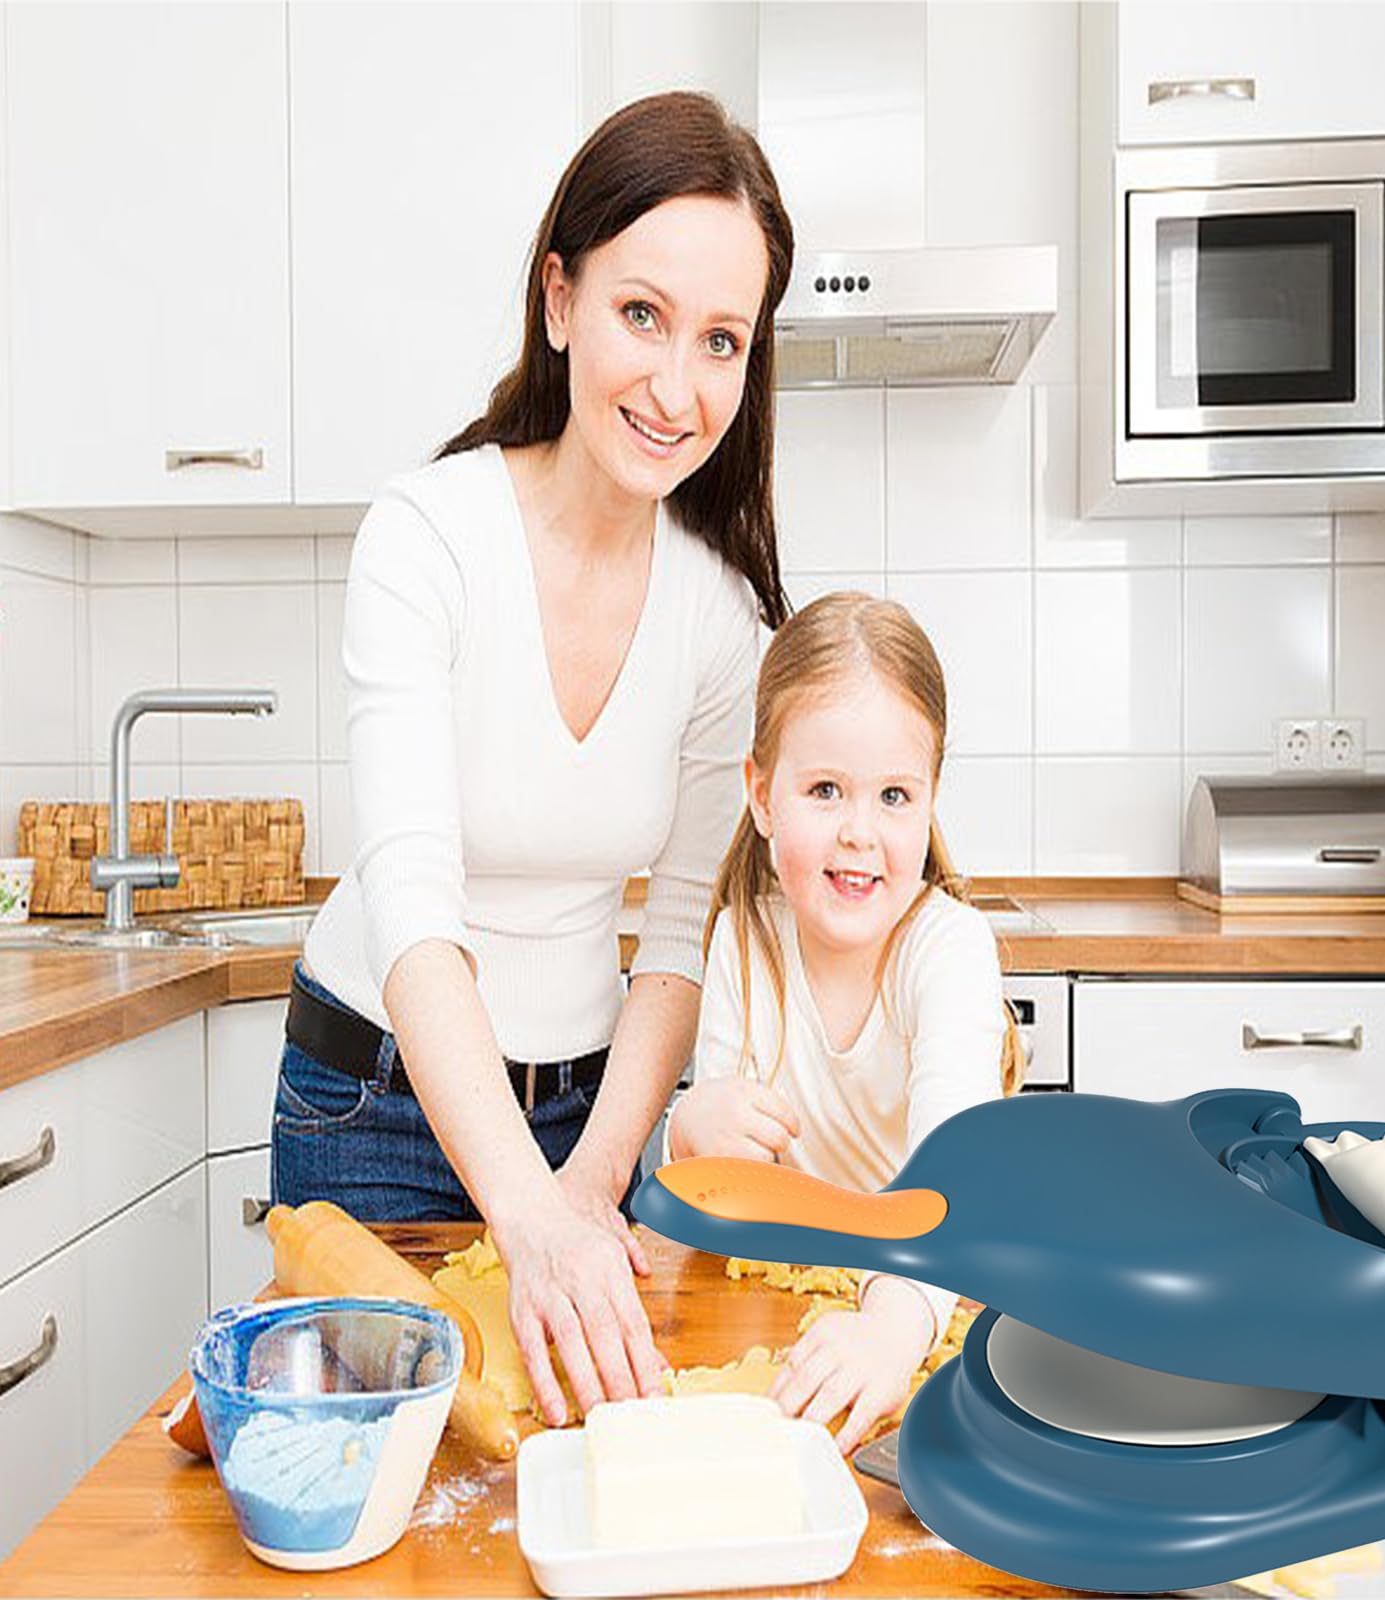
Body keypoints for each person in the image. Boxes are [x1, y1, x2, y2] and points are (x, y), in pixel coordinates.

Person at [271, 90, 794, 1429]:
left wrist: (585, 1185)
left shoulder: (723, 623)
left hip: (584, 1122)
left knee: (571, 1475)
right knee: (385, 1489)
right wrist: (525, 1208)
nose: (680, 388)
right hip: (374, 1101)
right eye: (642, 314)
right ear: (558, 298)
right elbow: (413, 905)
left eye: (722, 340)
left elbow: (674, 942)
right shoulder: (425, 540)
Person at [667, 592, 1025, 1455]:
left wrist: (893, 1331)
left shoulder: (948, 949)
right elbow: (721, 1199)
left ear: (931, 796)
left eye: (895, 796)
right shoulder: (744, 944)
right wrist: (691, 1133)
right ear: (761, 795)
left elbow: (956, 1179)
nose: (860, 833)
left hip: (937, 1320)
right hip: (796, 1319)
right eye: (825, 789)